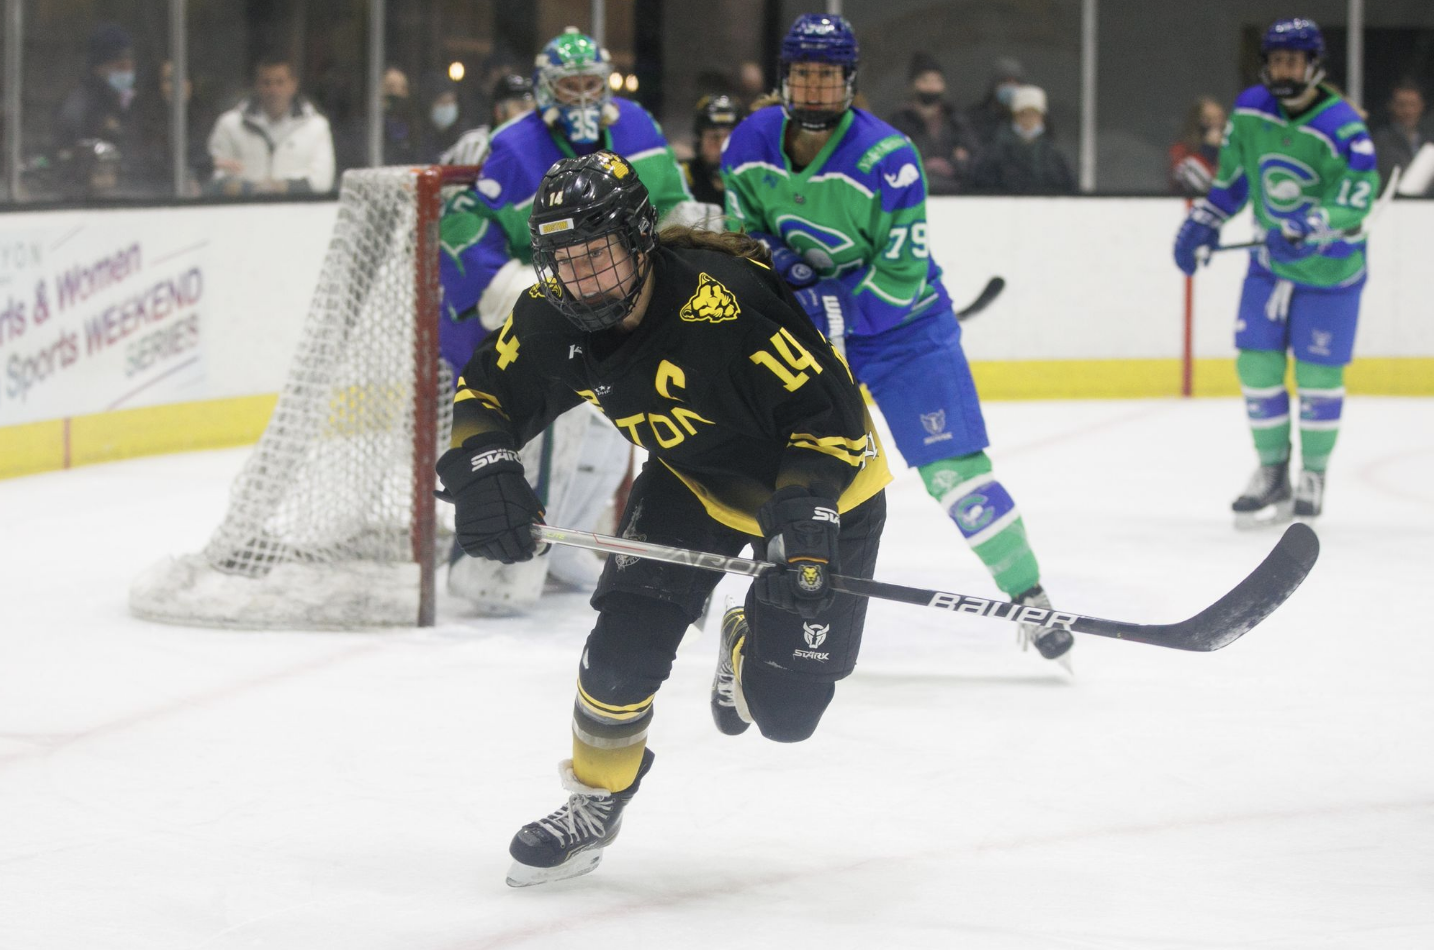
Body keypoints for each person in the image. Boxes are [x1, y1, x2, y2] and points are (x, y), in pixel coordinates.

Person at [437, 151, 890, 885]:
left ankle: (745, 643)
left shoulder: (728, 303)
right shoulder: (554, 319)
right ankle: (594, 800)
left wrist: (804, 528)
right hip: (693, 479)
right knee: (620, 653)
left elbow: (829, 419)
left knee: (786, 716)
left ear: (640, 240)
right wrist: (485, 469)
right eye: (565, 262)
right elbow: (483, 396)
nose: (583, 281)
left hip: (823, 492)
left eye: (600, 257)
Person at [721, 14, 1074, 666]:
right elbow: (743, 239)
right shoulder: (748, 143)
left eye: (829, 78)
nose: (816, 90)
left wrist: (829, 302)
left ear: (850, 82)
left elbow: (901, 276)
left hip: (904, 331)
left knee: (956, 476)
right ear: (786, 79)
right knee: (790, 471)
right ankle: (772, 603)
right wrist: (781, 269)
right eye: (804, 76)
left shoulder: (890, 159)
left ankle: (1031, 595)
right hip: (809, 328)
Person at [438, 29, 697, 612]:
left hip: (621, 304)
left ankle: (565, 543)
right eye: (569, 86)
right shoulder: (508, 145)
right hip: (542, 311)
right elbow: (458, 225)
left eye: (591, 85)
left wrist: (688, 247)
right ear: (545, 89)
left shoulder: (637, 126)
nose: (582, 98)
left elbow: (674, 203)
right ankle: (492, 563)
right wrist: (515, 287)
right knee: (549, 424)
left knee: (619, 427)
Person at [1172, 18, 1378, 527]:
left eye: (1294, 60)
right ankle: (1271, 470)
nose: (1284, 69)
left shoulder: (1343, 128)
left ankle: (1313, 472)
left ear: (1314, 65)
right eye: (1277, 60)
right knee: (1256, 367)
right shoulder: (1248, 111)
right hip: (1270, 266)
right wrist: (1207, 218)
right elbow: (1234, 180)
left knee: (1318, 375)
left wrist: (1314, 222)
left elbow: (1355, 198)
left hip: (1331, 272)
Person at [206, 55, 335, 196]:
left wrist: (282, 187)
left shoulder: (316, 126)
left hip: (298, 212)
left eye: (280, 83)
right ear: (257, 85)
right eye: (266, 83)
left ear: (293, 85)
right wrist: (251, 189)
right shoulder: (230, 124)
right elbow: (215, 176)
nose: (273, 90)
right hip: (242, 211)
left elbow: (322, 181)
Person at [54, 23, 157, 196]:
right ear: (99, 68)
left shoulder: (132, 102)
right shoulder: (80, 106)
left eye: (131, 65)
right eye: (120, 66)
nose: (127, 72)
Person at [889, 52, 977, 195]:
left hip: (955, 192)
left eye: (937, 81)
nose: (931, 87)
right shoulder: (900, 120)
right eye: (925, 81)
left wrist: (956, 165)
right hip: (912, 191)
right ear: (913, 84)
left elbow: (973, 155)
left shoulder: (956, 119)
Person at [969, 84, 1076, 194]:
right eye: (1023, 114)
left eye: (1034, 114)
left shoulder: (1054, 155)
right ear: (1014, 116)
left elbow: (1068, 187)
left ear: (1042, 117)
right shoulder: (995, 153)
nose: (1028, 120)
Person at [436, 72, 536, 167]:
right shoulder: (475, 144)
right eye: (522, 107)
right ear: (499, 111)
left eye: (533, 110)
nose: (529, 115)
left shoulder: (536, 147)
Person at [681, 93, 743, 205]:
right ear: (699, 140)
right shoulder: (682, 177)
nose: (723, 146)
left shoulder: (753, 178)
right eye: (714, 137)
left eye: (730, 138)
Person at [1372, 79, 1432, 191]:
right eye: (1402, 105)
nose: (1408, 111)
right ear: (1391, 106)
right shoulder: (1380, 142)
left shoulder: (1430, 139)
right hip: (1395, 204)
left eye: (1413, 105)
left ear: (1421, 106)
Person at [1168, 96, 1226, 196]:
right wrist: (1208, 150)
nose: (1216, 124)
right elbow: (1193, 184)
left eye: (1219, 118)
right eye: (1209, 119)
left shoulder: (1230, 149)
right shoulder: (1181, 150)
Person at [967, 56, 1026, 151]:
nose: (1010, 87)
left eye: (1015, 82)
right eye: (1005, 82)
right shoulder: (975, 116)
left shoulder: (1027, 116)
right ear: (994, 86)